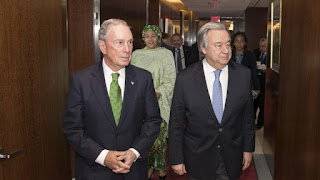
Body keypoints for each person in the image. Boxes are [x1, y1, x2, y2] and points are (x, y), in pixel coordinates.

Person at [62, 19, 162, 180]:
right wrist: (103, 156)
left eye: (130, 42)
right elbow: (72, 128)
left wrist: (134, 152)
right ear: (102, 46)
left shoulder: (143, 79)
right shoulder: (81, 80)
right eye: (119, 43)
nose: (127, 49)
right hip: (93, 171)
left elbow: (153, 121)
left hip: (133, 171)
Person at [168, 22, 255, 180]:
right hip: (197, 156)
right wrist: (176, 157)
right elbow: (176, 121)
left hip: (231, 155)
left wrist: (248, 149)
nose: (226, 50)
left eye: (228, 44)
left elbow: (247, 118)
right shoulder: (185, 78)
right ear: (204, 48)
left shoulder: (243, 75)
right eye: (219, 45)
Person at [131, 25, 176, 180]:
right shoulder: (135, 55)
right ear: (143, 38)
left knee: (159, 139)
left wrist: (159, 92)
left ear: (159, 37)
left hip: (159, 104)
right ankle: (149, 168)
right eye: (147, 36)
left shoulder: (166, 54)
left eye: (154, 36)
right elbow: (130, 78)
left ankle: (160, 169)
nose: (150, 39)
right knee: (144, 140)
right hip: (139, 105)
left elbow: (171, 79)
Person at [231, 32, 260, 99]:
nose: (239, 43)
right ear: (233, 43)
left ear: (245, 43)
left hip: (246, 86)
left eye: (242, 41)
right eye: (237, 41)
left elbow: (254, 72)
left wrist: (257, 88)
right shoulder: (228, 55)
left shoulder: (250, 55)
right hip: (231, 86)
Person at [253, 38, 268, 129]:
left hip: (266, 82)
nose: (261, 48)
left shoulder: (271, 56)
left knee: (262, 104)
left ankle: (260, 123)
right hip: (257, 82)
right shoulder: (256, 53)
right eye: (260, 46)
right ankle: (251, 121)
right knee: (254, 103)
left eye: (263, 46)